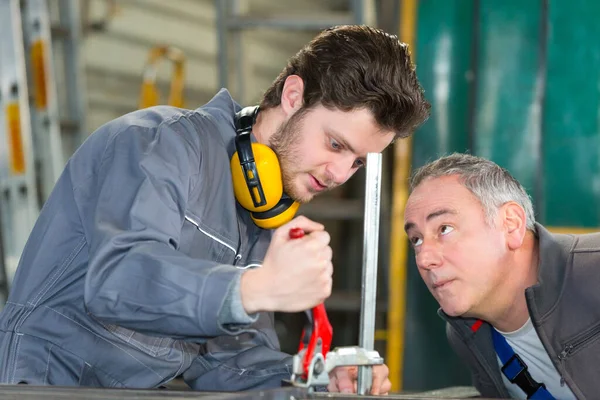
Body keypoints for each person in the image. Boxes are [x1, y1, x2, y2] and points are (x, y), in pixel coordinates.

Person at [0, 25, 430, 392]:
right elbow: (119, 279)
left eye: (356, 161)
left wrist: (314, 377)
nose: (339, 174)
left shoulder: (267, 209)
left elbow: (228, 360)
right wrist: (253, 289)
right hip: (45, 380)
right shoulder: (160, 144)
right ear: (294, 96)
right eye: (336, 144)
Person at [403, 153, 599, 399]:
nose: (423, 259)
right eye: (416, 240)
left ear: (511, 224)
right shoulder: (469, 335)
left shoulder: (593, 271)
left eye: (444, 229)